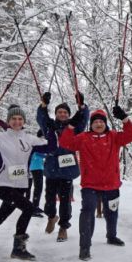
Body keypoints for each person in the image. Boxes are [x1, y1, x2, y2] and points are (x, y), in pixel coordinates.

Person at [0, 104, 55, 261]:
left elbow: (52, 148)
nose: (17, 122)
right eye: (13, 119)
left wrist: (50, 129)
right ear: (8, 121)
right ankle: (18, 248)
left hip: (21, 184)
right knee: (29, 208)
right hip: (1, 184)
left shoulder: (30, 139)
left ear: (24, 121)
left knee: (3, 214)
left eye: (20, 119)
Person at [59, 104, 132, 261]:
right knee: (87, 213)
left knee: (112, 212)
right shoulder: (83, 138)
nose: (99, 124)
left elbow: (131, 135)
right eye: (95, 122)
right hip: (90, 185)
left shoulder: (114, 136)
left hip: (111, 183)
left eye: (101, 121)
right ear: (91, 124)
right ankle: (85, 247)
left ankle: (111, 236)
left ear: (105, 123)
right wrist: (71, 125)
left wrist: (125, 119)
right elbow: (65, 143)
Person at [36, 92, 89, 241]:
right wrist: (43, 105)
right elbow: (41, 118)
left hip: (67, 171)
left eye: (65, 112)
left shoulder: (75, 127)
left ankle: (63, 227)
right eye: (59, 112)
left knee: (65, 201)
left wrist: (82, 106)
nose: (62, 114)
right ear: (56, 113)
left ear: (69, 114)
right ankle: (52, 217)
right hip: (52, 169)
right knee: (49, 201)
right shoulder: (49, 127)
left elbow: (84, 118)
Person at [28, 130, 45, 218]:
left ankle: (35, 206)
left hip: (38, 167)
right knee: (38, 188)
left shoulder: (38, 143)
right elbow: (38, 154)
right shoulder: (37, 144)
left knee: (38, 188)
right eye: (43, 136)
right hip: (35, 167)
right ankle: (34, 208)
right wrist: (48, 154)